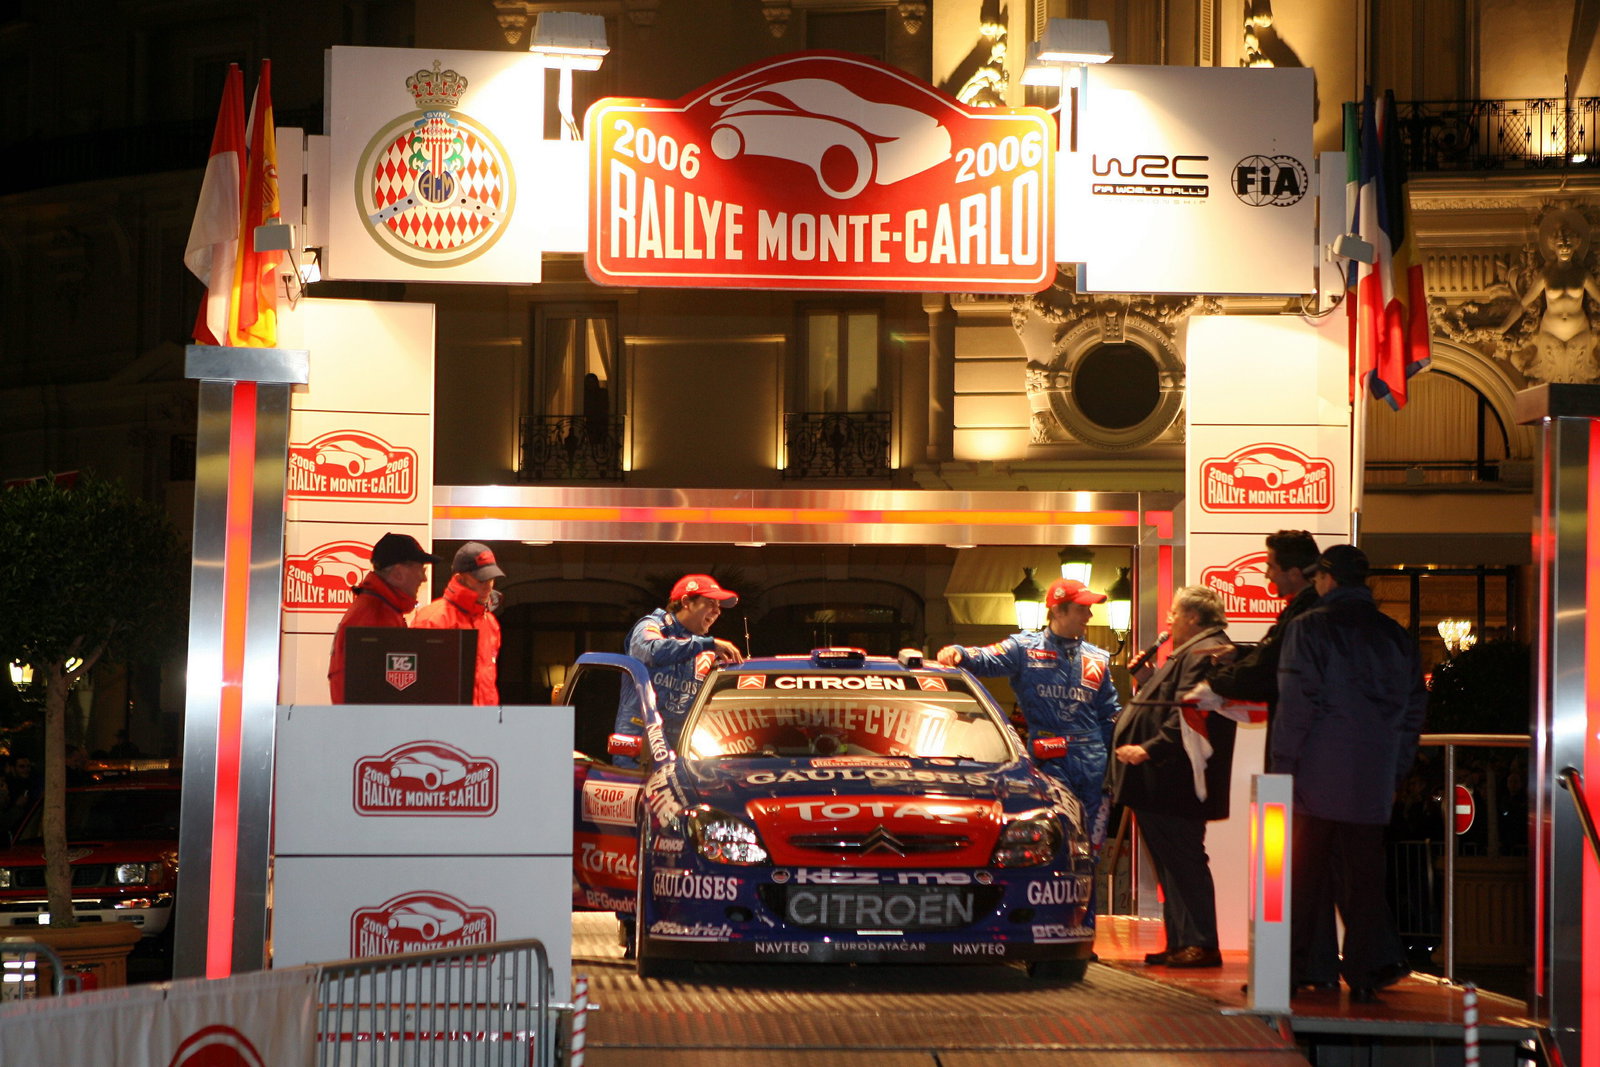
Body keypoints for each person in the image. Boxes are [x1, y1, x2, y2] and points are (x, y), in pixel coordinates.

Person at [1275, 544, 1427, 1002]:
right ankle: (1365, 973)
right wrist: (1396, 768)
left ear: (1327, 579)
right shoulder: (1395, 635)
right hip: (1373, 777)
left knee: (1303, 878)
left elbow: (1298, 702)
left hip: (1317, 776)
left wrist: (1282, 764)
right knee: (1363, 880)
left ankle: (1294, 971)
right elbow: (1414, 709)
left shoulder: (1310, 628)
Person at [937, 578, 1121, 845]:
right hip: (1050, 758)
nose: (1090, 616)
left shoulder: (1097, 658)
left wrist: (1114, 768)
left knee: (1092, 843)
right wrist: (959, 653)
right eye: (1082, 609)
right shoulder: (1024, 648)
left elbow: (1109, 715)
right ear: (1058, 610)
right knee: (1055, 838)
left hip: (1094, 760)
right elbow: (986, 659)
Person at [1110, 585, 1236, 969]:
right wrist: (1149, 676)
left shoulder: (1204, 650)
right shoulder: (1189, 651)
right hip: (1163, 780)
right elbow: (1171, 700)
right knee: (1170, 863)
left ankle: (1200, 941)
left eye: (1174, 613)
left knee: (1183, 860)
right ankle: (1182, 940)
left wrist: (1150, 748)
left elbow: (1188, 711)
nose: (1168, 620)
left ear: (1194, 618)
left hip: (1175, 779)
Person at [1199, 529, 1320, 765]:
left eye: (1271, 567)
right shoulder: (1305, 610)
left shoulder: (1305, 616)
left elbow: (1269, 668)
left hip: (1298, 746)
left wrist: (1213, 683)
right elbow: (1276, 654)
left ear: (1294, 573)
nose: (1267, 576)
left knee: (1276, 800)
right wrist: (1240, 653)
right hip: (1304, 743)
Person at [612, 574, 745, 767]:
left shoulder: (706, 649)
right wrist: (706, 644)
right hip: (638, 742)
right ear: (686, 602)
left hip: (683, 748)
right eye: (710, 603)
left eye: (718, 605)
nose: (718, 611)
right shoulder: (652, 625)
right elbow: (650, 651)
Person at [327, 532, 440, 704]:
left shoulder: (380, 609)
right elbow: (378, 693)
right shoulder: (376, 616)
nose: (423, 578)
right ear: (398, 573)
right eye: (421, 569)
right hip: (371, 727)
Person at [412, 541, 506, 706]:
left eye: (491, 579)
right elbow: (417, 684)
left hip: (484, 724)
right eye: (481, 579)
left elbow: (487, 681)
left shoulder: (490, 623)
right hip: (443, 725)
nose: (488, 586)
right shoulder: (432, 619)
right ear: (459, 578)